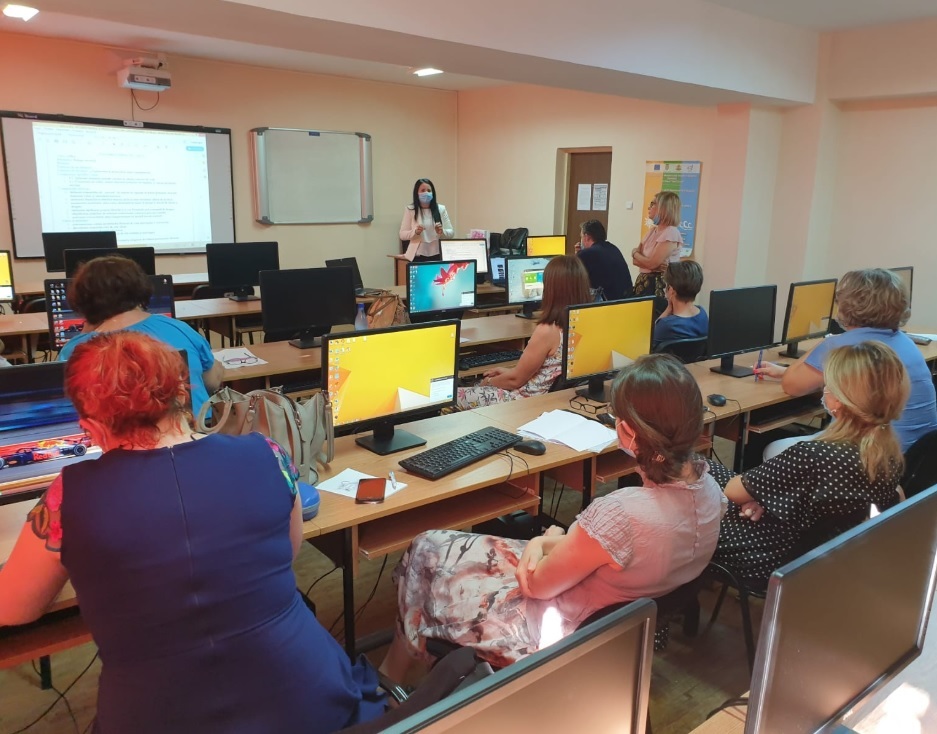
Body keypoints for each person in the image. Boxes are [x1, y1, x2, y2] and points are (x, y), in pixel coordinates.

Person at [0, 332, 385, 733]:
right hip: (311, 700)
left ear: (91, 425)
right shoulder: (267, 454)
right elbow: (286, 553)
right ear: (182, 394)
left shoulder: (67, 496)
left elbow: (14, 608)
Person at [380, 354, 726, 678]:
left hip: (550, 630)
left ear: (627, 433)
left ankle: (396, 676)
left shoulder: (620, 514)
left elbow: (536, 585)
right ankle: (407, 661)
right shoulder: (712, 494)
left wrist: (541, 541)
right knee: (431, 548)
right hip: (610, 627)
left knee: (425, 550)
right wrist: (557, 541)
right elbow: (604, 552)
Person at [713, 341, 906, 586]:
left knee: (701, 470)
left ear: (839, 401)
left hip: (769, 559)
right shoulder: (888, 454)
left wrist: (757, 495)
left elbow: (732, 491)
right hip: (817, 561)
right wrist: (762, 496)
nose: (825, 391)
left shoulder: (814, 455)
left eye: (828, 385)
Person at [756, 268, 937, 452]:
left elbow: (791, 386)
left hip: (873, 455)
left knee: (774, 449)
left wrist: (826, 342)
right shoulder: (905, 341)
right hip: (918, 456)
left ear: (848, 304)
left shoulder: (842, 345)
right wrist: (786, 371)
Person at [57, 256, 222, 417]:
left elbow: (70, 406)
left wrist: (84, 334)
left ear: (83, 300)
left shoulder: (77, 350)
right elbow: (212, 382)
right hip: (196, 429)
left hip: (123, 433)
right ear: (140, 289)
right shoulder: (179, 328)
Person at [456, 255, 591, 409]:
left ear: (551, 289)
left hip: (523, 401)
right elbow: (543, 371)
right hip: (551, 398)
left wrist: (487, 382)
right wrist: (509, 372)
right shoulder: (583, 324)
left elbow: (515, 381)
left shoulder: (547, 330)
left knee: (454, 395)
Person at [632, 191, 683, 299]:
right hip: (644, 283)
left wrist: (635, 253)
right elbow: (635, 261)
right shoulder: (652, 231)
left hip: (659, 287)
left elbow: (651, 263)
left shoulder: (671, 232)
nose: (649, 207)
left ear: (664, 208)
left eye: (652, 204)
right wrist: (636, 254)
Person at [653, 260, 708, 348]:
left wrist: (665, 313)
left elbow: (650, 339)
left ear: (671, 290)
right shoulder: (702, 314)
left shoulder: (665, 325)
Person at [575, 219, 633, 300]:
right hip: (627, 298)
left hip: (608, 301)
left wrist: (577, 256)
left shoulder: (586, 254)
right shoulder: (613, 248)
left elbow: (574, 279)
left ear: (587, 237)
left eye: (581, 237)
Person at [399, 178, 454, 261]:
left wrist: (442, 231)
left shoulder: (441, 209)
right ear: (416, 193)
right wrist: (415, 232)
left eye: (429, 190)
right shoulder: (410, 210)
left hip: (438, 254)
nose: (426, 193)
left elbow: (451, 233)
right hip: (417, 255)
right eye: (423, 190)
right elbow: (402, 235)